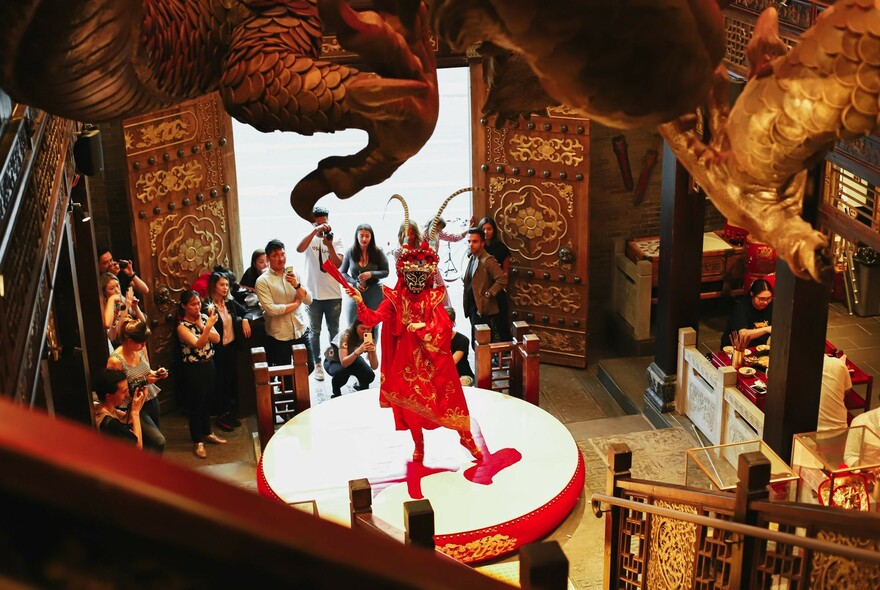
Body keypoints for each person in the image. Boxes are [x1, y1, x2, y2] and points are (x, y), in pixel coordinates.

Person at [348, 232, 482, 463]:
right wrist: (360, 301)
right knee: (410, 407)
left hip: (433, 359)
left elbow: (444, 325)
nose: (417, 281)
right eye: (412, 275)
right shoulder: (395, 299)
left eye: (421, 275)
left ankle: (466, 437)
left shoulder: (432, 299)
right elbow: (372, 318)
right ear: (403, 274)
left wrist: (423, 326)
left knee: (450, 399)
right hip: (406, 363)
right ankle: (418, 444)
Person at [176, 290, 226, 459]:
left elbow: (217, 339)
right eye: (193, 304)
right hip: (193, 369)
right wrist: (205, 327)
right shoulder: (182, 327)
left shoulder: (203, 319)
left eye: (198, 303)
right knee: (196, 405)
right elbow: (198, 344)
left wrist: (203, 325)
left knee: (208, 401)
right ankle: (198, 441)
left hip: (209, 364)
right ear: (184, 306)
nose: (197, 307)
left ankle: (208, 432)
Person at [296, 206, 344, 381]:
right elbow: (299, 249)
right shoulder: (309, 238)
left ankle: (333, 360)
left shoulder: (335, 238)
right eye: (319, 224)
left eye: (325, 223)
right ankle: (317, 364)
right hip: (313, 294)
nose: (323, 228)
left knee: (334, 330)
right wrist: (314, 232)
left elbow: (338, 264)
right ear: (314, 223)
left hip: (333, 294)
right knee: (314, 331)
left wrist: (329, 245)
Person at [106, 317, 168, 453]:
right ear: (130, 341)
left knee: (151, 443)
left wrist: (157, 373)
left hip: (150, 398)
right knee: (158, 441)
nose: (144, 346)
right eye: (142, 343)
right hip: (133, 405)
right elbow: (117, 390)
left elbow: (147, 371)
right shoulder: (115, 361)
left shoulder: (138, 350)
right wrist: (145, 381)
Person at [255, 239, 314, 375]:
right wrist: (295, 304)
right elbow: (271, 310)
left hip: (300, 329)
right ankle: (293, 393)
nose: (281, 259)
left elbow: (309, 299)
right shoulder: (263, 281)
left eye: (283, 254)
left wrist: (297, 285)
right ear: (268, 258)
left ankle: (300, 391)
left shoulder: (294, 274)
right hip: (279, 335)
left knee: (309, 367)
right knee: (284, 374)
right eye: (275, 256)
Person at [208, 270, 252, 431]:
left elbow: (245, 311)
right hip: (217, 351)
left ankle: (229, 413)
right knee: (220, 384)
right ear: (213, 286)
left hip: (231, 348)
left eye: (227, 285)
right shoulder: (208, 306)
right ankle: (221, 415)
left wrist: (245, 320)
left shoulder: (229, 303)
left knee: (231, 382)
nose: (225, 288)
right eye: (222, 285)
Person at [462, 227, 509, 344]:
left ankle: (488, 362)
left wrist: (489, 293)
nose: (471, 244)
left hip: (482, 307)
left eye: (475, 241)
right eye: (469, 241)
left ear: (482, 243)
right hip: (472, 304)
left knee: (482, 342)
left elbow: (502, 279)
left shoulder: (487, 260)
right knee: (475, 340)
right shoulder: (472, 257)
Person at [340, 224, 389, 328]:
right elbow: (342, 273)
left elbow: (386, 272)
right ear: (356, 236)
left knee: (373, 324)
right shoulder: (350, 252)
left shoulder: (378, 252)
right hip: (355, 290)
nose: (364, 239)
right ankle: (354, 344)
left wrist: (371, 274)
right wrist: (355, 282)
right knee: (352, 324)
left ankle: (372, 345)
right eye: (361, 235)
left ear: (371, 237)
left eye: (367, 236)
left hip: (375, 290)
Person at [93, 368, 148, 449]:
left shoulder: (102, 407)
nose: (127, 395)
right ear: (108, 396)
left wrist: (142, 398)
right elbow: (138, 447)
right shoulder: (109, 422)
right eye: (123, 392)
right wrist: (135, 412)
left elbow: (127, 419)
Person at [323, 318, 379, 398]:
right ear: (356, 326)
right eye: (362, 328)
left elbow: (374, 366)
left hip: (353, 357)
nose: (366, 332)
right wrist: (359, 351)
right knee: (342, 373)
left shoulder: (370, 338)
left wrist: (373, 353)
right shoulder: (346, 335)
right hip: (334, 360)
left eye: (369, 329)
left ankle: (362, 389)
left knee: (369, 374)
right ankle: (336, 393)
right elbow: (344, 363)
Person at [479, 216, 512, 341]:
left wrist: (502, 287)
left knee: (501, 321)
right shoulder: (479, 248)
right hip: (482, 290)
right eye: (483, 229)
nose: (486, 232)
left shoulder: (501, 248)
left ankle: (505, 351)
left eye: (489, 229)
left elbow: (505, 272)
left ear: (494, 230)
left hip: (497, 289)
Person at [721, 278, 773, 348]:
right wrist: (766, 329)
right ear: (752, 294)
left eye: (768, 298)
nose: (765, 302)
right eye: (761, 299)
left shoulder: (770, 306)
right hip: (736, 349)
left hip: (758, 347)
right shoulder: (741, 308)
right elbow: (743, 334)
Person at [101, 272, 145, 346]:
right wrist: (126, 306)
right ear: (104, 292)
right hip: (119, 346)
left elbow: (143, 323)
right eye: (112, 288)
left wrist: (136, 308)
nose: (117, 290)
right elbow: (116, 335)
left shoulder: (123, 300)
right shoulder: (105, 309)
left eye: (118, 286)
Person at [817, 354, 853, 432]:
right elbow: (847, 390)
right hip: (840, 428)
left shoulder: (797, 365)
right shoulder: (839, 364)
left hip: (810, 433)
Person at [446, 306, 475, 386]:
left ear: (452, 323)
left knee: (461, 383)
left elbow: (451, 362)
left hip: (462, 375)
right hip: (442, 375)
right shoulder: (435, 340)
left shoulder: (462, 340)